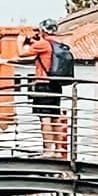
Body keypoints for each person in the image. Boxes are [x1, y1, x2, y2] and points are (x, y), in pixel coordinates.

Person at [21, 22, 74, 153]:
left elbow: (22, 53)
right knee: (55, 116)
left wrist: (20, 41)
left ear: (43, 31)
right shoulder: (58, 44)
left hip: (43, 84)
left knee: (45, 117)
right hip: (56, 84)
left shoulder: (43, 44)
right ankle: (57, 149)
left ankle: (48, 150)